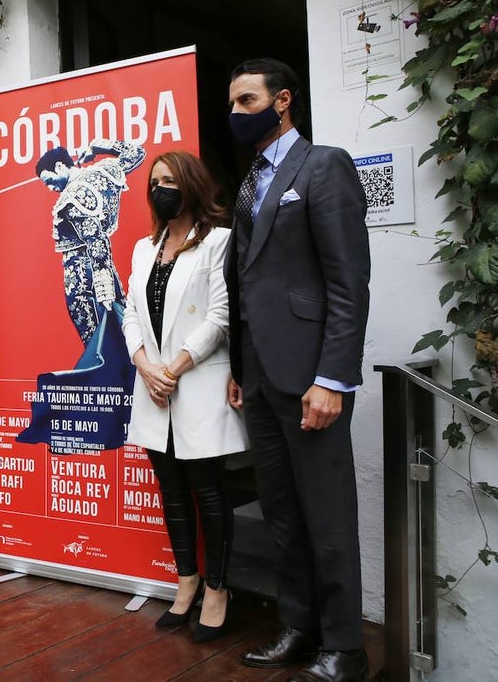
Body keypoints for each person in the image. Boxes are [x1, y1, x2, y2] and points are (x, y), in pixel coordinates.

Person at [225, 59, 371, 682]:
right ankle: (299, 625)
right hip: (258, 376)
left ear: (282, 100)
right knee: (281, 512)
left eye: (246, 99)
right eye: (230, 102)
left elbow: (348, 281)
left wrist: (333, 378)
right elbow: (245, 280)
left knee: (327, 512)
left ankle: (345, 645)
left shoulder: (323, 165)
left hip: (310, 376)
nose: (235, 112)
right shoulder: (250, 179)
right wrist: (238, 365)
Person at [123, 151, 246, 643]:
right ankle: (186, 580)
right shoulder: (141, 247)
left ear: (192, 185)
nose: (160, 189)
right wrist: (145, 366)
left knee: (210, 493)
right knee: (171, 492)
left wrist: (171, 369)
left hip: (194, 382)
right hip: (153, 387)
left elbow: (220, 316)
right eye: (155, 182)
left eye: (170, 180)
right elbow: (129, 311)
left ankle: (218, 588)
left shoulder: (218, 241)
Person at [36, 138, 145, 345]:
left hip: (82, 278)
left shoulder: (71, 197)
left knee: (98, 343)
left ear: (60, 166)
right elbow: (135, 152)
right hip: (105, 271)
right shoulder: (103, 171)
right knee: (121, 334)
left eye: (49, 181)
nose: (50, 189)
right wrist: (97, 146)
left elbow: (96, 239)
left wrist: (104, 290)